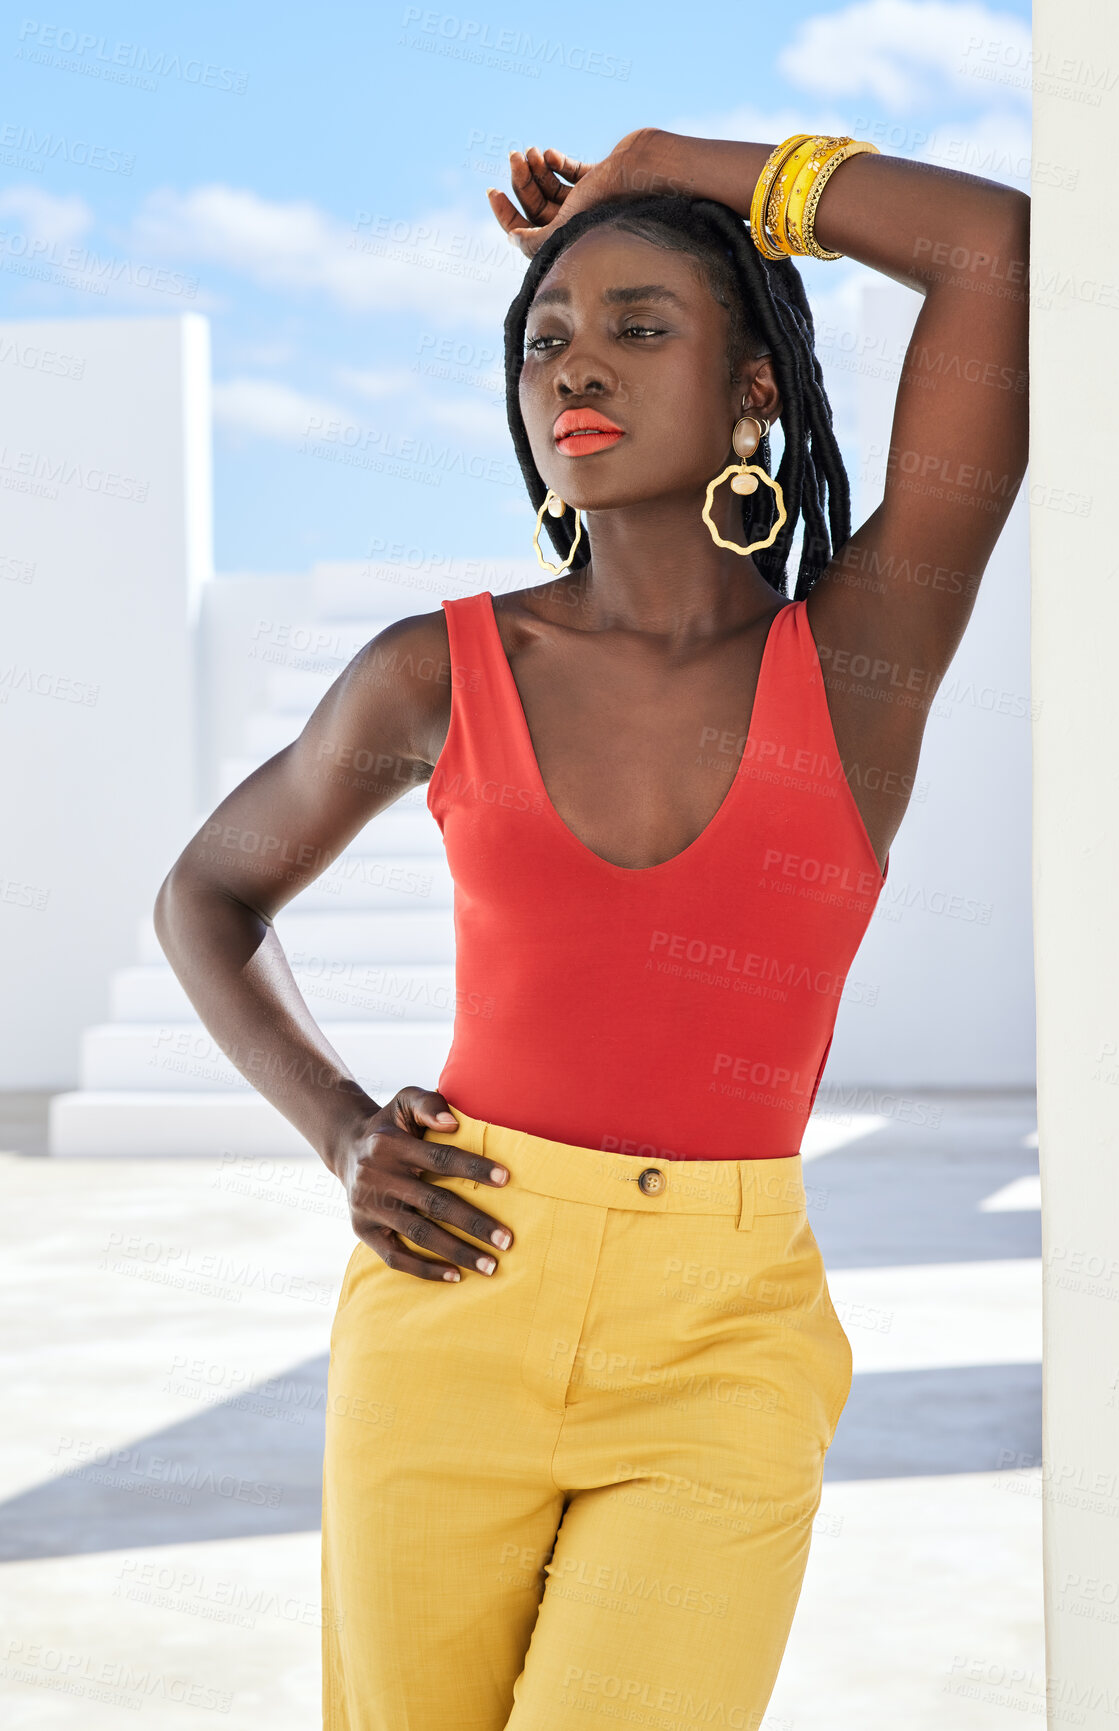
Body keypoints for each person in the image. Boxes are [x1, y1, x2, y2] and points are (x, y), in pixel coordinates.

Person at [155, 126, 1029, 1730]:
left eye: (644, 326)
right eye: (546, 335)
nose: (579, 366)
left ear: (755, 389)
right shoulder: (433, 671)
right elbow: (208, 892)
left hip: (725, 1338)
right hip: (451, 1299)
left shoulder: (856, 665)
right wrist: (344, 1132)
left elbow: (996, 256)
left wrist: (673, 162)